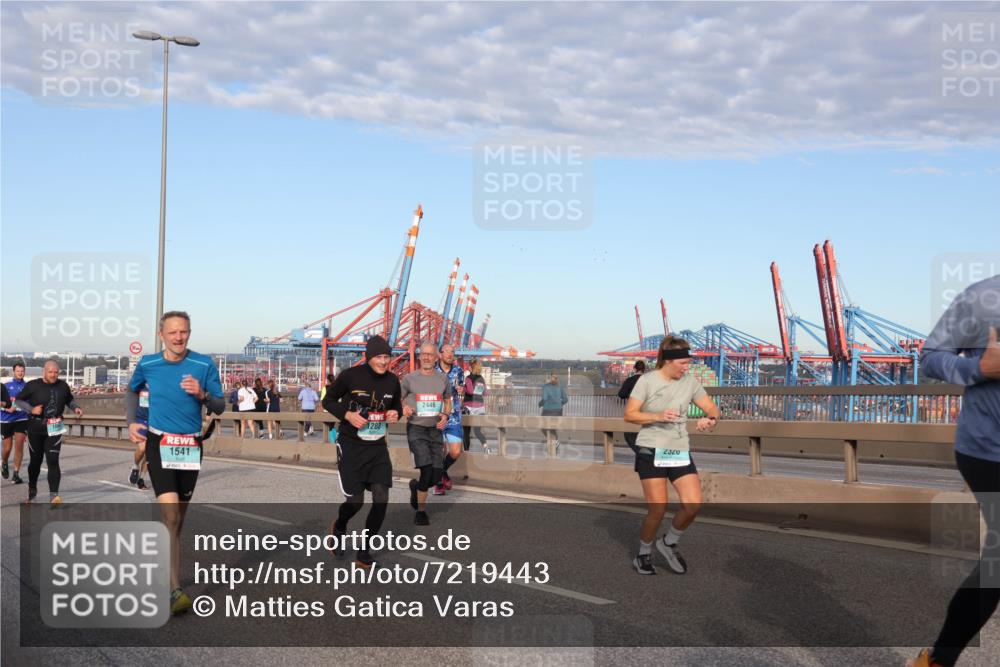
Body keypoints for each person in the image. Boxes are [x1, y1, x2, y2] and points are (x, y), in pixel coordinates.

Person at [910, 276, 1000, 667]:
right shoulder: (982, 298)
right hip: (989, 451)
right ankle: (938, 660)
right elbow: (930, 355)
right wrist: (979, 367)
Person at [125, 311, 224, 615]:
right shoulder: (149, 364)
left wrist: (202, 393)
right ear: (161, 335)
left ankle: (166, 570)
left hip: (190, 445)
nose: (179, 337)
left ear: (189, 333)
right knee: (169, 516)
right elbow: (131, 389)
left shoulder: (203, 364)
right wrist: (131, 422)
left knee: (177, 522)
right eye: (173, 332)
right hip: (159, 443)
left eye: (184, 332)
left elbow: (220, 405)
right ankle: (174, 589)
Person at [623, 336, 720, 576]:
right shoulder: (646, 381)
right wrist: (657, 416)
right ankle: (643, 554)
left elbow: (712, 407)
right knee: (658, 509)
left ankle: (667, 543)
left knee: (693, 504)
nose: (687, 368)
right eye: (683, 363)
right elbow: (630, 415)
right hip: (650, 449)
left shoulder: (690, 382)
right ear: (668, 361)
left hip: (678, 450)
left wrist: (710, 419)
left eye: (688, 363)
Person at [322, 335, 401, 568]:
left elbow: (396, 406)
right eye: (379, 357)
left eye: (387, 357)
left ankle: (364, 552)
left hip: (377, 447)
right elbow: (327, 400)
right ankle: (340, 525)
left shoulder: (393, 381)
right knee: (355, 502)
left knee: (381, 499)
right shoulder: (350, 376)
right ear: (369, 357)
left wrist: (397, 413)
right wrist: (347, 414)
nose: (384, 361)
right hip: (350, 445)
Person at [14, 360, 84, 505]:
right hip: (36, 428)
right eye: (50, 372)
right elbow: (19, 401)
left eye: (56, 372)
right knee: (35, 462)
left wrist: (75, 407)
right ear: (44, 372)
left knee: (53, 460)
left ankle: (54, 496)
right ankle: (32, 491)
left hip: (55, 426)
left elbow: (69, 399)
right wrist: (31, 409)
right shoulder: (33, 385)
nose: (53, 375)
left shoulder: (63, 386)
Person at [401, 342, 452, 525]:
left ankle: (416, 488)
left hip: (435, 429)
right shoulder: (409, 379)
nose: (427, 357)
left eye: (430, 354)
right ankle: (421, 512)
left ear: (436, 357)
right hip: (416, 428)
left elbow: (448, 401)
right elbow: (397, 399)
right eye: (424, 354)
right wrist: (404, 407)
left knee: (436, 476)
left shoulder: (442, 379)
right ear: (420, 356)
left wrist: (446, 415)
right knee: (426, 469)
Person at [434, 343, 464, 495]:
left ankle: (442, 471)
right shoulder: (432, 370)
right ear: (440, 354)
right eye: (447, 352)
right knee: (439, 450)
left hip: (453, 416)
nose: (451, 355)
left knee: (456, 451)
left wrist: (461, 390)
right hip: (436, 416)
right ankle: (438, 483)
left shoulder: (459, 370)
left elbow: (462, 388)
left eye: (453, 352)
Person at [2, 362, 29, 484]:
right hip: (6, 419)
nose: (20, 373)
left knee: (19, 446)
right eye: (18, 371)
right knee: (7, 448)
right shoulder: (6, 386)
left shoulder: (28, 386)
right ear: (14, 371)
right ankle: (4, 462)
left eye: (22, 371)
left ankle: (16, 474)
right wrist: (6, 408)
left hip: (21, 419)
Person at [618, 360, 647, 449]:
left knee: (630, 434)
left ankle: (640, 453)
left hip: (634, 412)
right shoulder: (649, 381)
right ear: (644, 369)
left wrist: (630, 396)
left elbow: (621, 394)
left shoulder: (630, 380)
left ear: (634, 369)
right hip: (649, 413)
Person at [462, 359, 489, 453]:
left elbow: (470, 391)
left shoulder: (469, 378)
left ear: (471, 368)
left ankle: (466, 451)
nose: (468, 367)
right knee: (478, 431)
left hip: (469, 407)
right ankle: (486, 447)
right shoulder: (481, 378)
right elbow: (485, 393)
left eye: (469, 366)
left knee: (466, 431)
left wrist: (464, 388)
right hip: (480, 407)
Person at [128, 382, 150, 491]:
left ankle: (141, 479)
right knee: (142, 448)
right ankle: (135, 466)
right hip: (141, 420)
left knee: (149, 453)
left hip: (155, 422)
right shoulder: (140, 384)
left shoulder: (161, 383)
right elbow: (130, 399)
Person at [539, 374, 568, 449]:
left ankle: (555, 441)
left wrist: (540, 404)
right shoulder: (560, 387)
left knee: (543, 426)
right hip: (558, 410)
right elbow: (566, 400)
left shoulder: (545, 387)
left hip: (548, 410)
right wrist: (560, 404)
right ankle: (555, 442)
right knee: (553, 427)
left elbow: (544, 399)